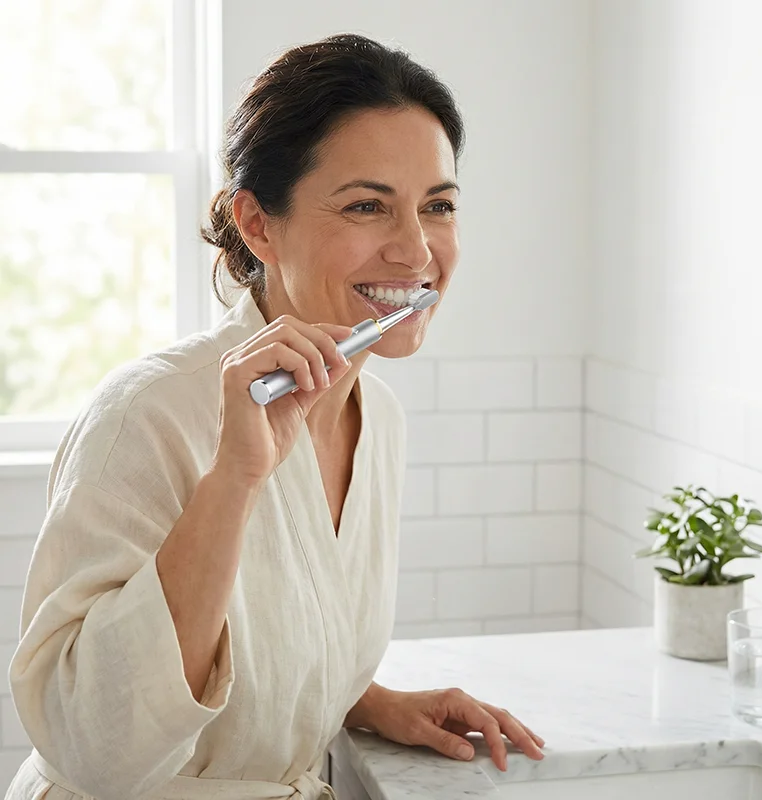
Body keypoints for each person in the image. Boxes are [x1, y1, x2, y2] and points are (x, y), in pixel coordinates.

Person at [5, 33, 545, 800]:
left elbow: (277, 632)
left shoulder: (378, 418)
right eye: (367, 206)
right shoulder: (147, 413)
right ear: (258, 224)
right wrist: (234, 479)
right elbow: (93, 739)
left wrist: (368, 703)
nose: (417, 251)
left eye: (438, 206)